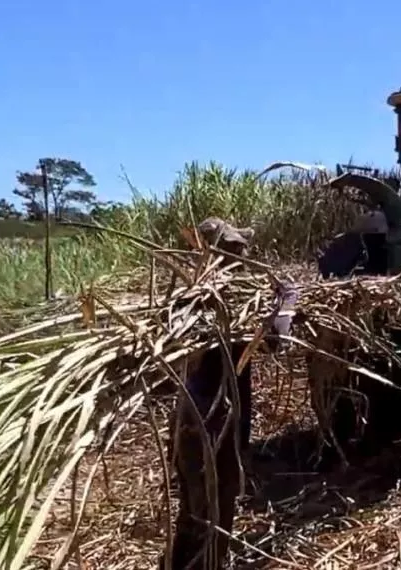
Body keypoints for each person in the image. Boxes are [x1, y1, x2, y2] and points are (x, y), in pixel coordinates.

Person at [161, 217, 297, 570]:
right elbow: (275, 340)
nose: (243, 257)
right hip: (212, 420)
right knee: (212, 510)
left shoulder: (189, 295)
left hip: (194, 417)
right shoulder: (213, 301)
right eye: (237, 250)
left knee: (196, 510)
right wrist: (287, 297)